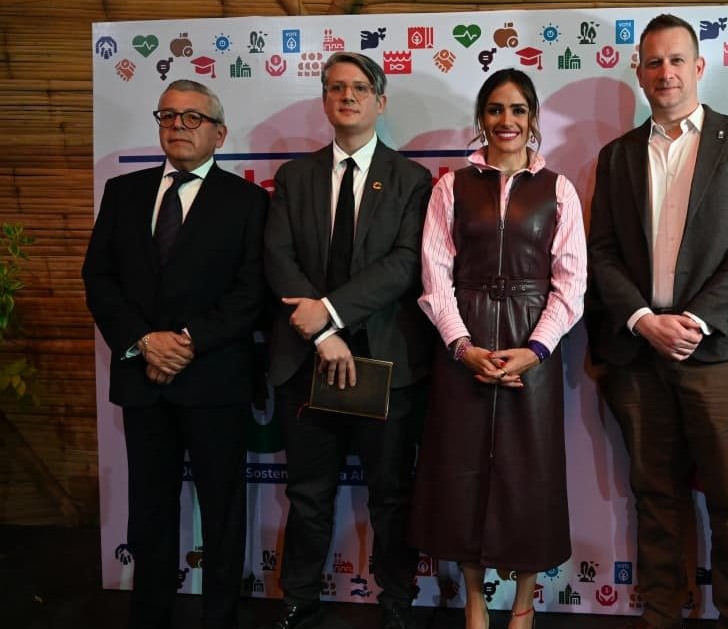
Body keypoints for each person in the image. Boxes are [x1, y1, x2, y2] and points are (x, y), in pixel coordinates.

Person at [586, 14, 728, 629]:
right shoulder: (616, 156)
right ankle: (662, 611)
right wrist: (643, 319)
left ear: (699, 67)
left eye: (676, 60)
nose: (665, 72)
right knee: (654, 495)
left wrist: (694, 320)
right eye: (653, 62)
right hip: (639, 353)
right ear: (638, 72)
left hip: (719, 351)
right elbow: (602, 252)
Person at [82, 79, 269, 629]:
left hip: (214, 379)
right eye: (168, 116)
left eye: (192, 118)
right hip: (143, 378)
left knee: (223, 511)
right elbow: (99, 279)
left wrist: (187, 342)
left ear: (220, 134)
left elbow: (252, 292)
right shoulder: (124, 192)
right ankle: (149, 614)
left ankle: (221, 618)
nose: (178, 126)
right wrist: (146, 341)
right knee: (150, 510)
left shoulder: (248, 201)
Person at [408, 68, 587, 629]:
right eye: (495, 109)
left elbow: (571, 283)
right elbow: (435, 276)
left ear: (533, 119)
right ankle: (474, 600)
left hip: (533, 343)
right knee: (460, 473)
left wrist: (536, 348)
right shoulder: (450, 187)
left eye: (517, 109)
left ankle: (525, 602)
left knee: (530, 472)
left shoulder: (558, 189)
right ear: (481, 118)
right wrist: (461, 346)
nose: (506, 120)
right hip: (464, 342)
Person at [263, 52, 433, 629]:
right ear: (325, 100)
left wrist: (330, 313)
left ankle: (397, 601)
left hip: (383, 360)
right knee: (308, 494)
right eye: (336, 87)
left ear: (380, 101)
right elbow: (277, 257)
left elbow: (405, 263)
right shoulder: (295, 177)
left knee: (391, 495)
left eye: (360, 88)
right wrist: (321, 334)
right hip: (308, 360)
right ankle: (299, 597)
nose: (348, 96)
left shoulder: (411, 179)